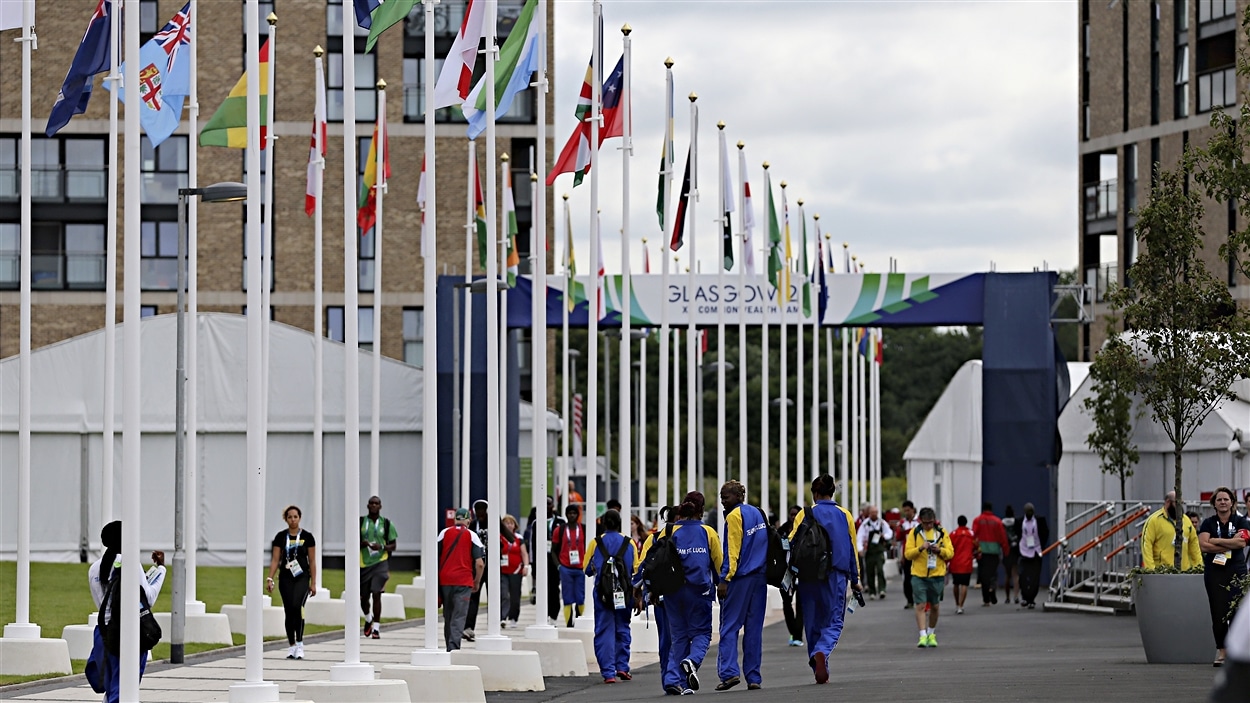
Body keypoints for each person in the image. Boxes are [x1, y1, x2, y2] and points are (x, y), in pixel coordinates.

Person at [788, 475, 861, 685]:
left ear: (814, 493)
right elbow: (851, 549)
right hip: (835, 575)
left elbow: (792, 543)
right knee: (834, 620)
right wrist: (855, 579)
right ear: (833, 492)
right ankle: (823, 651)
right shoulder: (844, 515)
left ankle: (817, 665)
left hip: (808, 575)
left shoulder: (805, 513)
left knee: (812, 623)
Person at [88, 520, 166, 703]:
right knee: (124, 690)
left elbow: (101, 602)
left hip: (103, 633)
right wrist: (161, 569)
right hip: (128, 634)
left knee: (112, 689)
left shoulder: (94, 569)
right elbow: (148, 598)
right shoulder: (131, 564)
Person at [661, 491, 722, 696]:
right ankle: (692, 661)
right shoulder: (708, 532)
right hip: (699, 591)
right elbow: (719, 565)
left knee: (678, 636)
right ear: (702, 510)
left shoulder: (669, 530)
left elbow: (651, 559)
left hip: (672, 591)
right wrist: (722, 586)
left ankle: (673, 679)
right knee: (702, 633)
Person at [715, 480, 769, 691]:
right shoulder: (757, 512)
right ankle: (753, 676)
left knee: (729, 626)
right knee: (754, 629)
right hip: (760, 578)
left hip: (740, 578)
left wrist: (724, 579)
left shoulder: (734, 516)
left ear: (738, 497)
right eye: (721, 498)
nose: (722, 502)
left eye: (726, 497)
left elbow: (732, 551)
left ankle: (729, 673)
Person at [1198, 486, 1250, 667]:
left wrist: (1216, 540)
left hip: (1237, 570)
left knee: (1237, 611)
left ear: (1232, 502)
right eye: (1219, 499)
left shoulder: (1241, 521)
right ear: (1214, 503)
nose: (1223, 502)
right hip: (1215, 572)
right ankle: (1222, 652)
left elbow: (1242, 542)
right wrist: (1230, 543)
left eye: (1226, 499)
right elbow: (1203, 546)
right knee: (1218, 612)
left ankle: (1237, 653)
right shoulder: (1208, 523)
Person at [584, 509, 636, 684]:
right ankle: (622, 666)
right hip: (624, 593)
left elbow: (587, 570)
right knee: (623, 628)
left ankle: (608, 673)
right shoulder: (630, 543)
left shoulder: (595, 543)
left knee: (604, 631)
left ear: (603, 523)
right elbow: (635, 570)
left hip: (603, 594)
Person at [634, 505, 676, 694]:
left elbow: (643, 567)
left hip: (660, 597)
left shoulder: (653, 538)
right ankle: (675, 678)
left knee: (665, 639)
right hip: (682, 598)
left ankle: (667, 678)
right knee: (680, 638)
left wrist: (639, 591)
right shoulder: (692, 535)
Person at [266, 505, 316, 659]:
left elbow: (312, 561)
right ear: (286, 519)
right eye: (290, 517)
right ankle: (292, 645)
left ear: (299, 518)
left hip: (301, 577)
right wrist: (270, 578)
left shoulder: (307, 537)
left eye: (295, 516)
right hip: (286, 578)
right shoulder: (281, 537)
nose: (293, 520)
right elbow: (275, 559)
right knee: (288, 610)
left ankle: (300, 644)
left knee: (298, 607)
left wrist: (313, 582)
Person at [904, 507, 954, 647]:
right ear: (921, 521)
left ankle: (931, 633)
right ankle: (922, 635)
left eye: (931, 522)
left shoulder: (942, 532)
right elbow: (908, 554)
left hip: (937, 574)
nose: (929, 526)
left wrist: (940, 550)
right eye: (926, 523)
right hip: (918, 575)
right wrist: (920, 548)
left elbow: (950, 553)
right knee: (920, 605)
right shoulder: (914, 533)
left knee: (935, 606)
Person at [437, 507, 485, 652]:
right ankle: (453, 648)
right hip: (463, 581)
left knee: (449, 615)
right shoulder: (472, 536)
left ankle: (448, 646)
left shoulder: (443, 533)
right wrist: (476, 581)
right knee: (459, 616)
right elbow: (480, 563)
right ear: (468, 521)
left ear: (455, 519)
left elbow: (435, 556)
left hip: (445, 579)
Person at [359, 495, 397, 638]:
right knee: (364, 597)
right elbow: (352, 540)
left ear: (380, 506)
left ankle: (376, 627)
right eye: (371, 503)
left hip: (381, 562)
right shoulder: (361, 522)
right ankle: (368, 618)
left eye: (377, 503)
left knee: (377, 593)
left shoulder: (386, 524)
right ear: (368, 506)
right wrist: (362, 544)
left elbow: (393, 545)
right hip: (363, 562)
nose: (374, 505)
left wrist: (381, 546)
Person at [524, 496, 565, 625]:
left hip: (556, 561)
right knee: (543, 589)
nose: (546, 506)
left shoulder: (560, 522)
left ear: (552, 506)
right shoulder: (537, 522)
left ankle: (554, 615)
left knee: (554, 589)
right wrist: (532, 563)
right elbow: (532, 544)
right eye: (544, 504)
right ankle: (544, 614)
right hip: (541, 561)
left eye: (548, 504)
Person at [1142, 490, 1202, 571]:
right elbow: (1147, 545)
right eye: (1177, 503)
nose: (1180, 506)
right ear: (1168, 502)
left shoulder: (1186, 521)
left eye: (1182, 503)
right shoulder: (1154, 520)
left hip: (1183, 572)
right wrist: (1150, 570)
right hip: (1162, 572)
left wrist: (1199, 568)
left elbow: (1194, 546)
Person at [552, 504, 587, 626]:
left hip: (580, 568)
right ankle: (568, 622)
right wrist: (559, 566)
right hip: (565, 567)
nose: (572, 515)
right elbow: (553, 550)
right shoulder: (560, 530)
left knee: (580, 597)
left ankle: (579, 619)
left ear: (578, 515)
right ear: (566, 515)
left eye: (574, 513)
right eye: (569, 513)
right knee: (567, 598)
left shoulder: (583, 529)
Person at [463, 499, 490, 641]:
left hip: (491, 565)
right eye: (478, 509)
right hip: (477, 564)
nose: (480, 512)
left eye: (483, 509)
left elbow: (509, 538)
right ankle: (468, 627)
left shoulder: (493, 524)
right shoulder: (473, 526)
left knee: (493, 596)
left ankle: (493, 626)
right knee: (474, 596)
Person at [972, 502, 1009, 606]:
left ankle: (986, 600)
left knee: (984, 575)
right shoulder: (997, 521)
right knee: (993, 573)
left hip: (982, 552)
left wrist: (974, 550)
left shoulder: (977, 520)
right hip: (994, 551)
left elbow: (973, 535)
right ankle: (992, 587)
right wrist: (1005, 550)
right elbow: (1003, 537)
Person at [1015, 502, 1050, 609]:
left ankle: (1031, 599)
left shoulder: (1040, 520)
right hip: (1024, 551)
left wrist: (1041, 546)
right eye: (1028, 511)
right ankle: (1025, 597)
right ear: (1025, 512)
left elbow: (1045, 532)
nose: (1029, 513)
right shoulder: (1019, 521)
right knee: (1022, 576)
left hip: (1036, 551)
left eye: (1031, 511)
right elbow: (1017, 533)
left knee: (1035, 577)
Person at [778, 505, 805, 647]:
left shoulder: (805, 531)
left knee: (801, 604)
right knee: (787, 603)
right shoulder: (783, 530)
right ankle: (793, 631)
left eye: (796, 514)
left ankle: (798, 635)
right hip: (786, 573)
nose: (793, 517)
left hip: (802, 572)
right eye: (792, 514)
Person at [856, 504, 893, 600]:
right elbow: (859, 537)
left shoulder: (882, 523)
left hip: (879, 550)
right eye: (872, 512)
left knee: (880, 570)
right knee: (870, 571)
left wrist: (885, 536)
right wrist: (859, 549)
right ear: (869, 513)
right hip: (869, 551)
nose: (874, 514)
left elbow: (889, 532)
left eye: (875, 512)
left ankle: (882, 589)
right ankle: (872, 591)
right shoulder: (865, 524)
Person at [499, 514, 529, 629]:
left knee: (515, 596)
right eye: (506, 523)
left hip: (516, 571)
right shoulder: (500, 537)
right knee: (504, 594)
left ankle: (513, 618)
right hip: (503, 570)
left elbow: (524, 554)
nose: (509, 525)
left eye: (511, 523)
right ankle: (503, 616)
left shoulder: (518, 538)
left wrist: (526, 566)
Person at [948, 515, 975, 614]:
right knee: (964, 584)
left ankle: (956, 604)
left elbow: (949, 547)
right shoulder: (971, 533)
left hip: (955, 563)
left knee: (956, 584)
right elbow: (976, 546)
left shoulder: (953, 534)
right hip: (967, 563)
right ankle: (961, 605)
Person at [897, 500, 918, 609]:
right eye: (905, 511)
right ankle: (909, 600)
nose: (907, 513)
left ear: (912, 510)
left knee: (918, 577)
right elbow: (898, 538)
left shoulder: (918, 522)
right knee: (907, 579)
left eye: (908, 510)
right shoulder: (902, 523)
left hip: (918, 554)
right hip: (906, 554)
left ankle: (919, 598)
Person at [1001, 505, 1020, 604]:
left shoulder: (1002, 523)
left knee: (1007, 575)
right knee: (1015, 574)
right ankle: (1016, 596)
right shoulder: (1016, 522)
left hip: (1006, 550)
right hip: (1015, 549)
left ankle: (1007, 597)